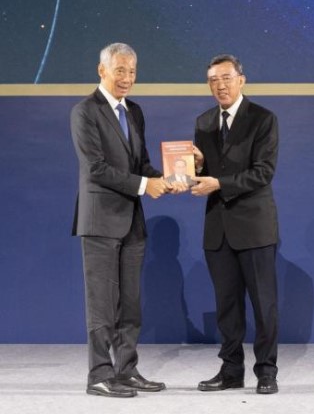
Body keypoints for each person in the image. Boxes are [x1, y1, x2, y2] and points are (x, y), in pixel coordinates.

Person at [70, 42, 183, 397]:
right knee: (102, 303)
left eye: (132, 71)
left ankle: (126, 370)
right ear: (101, 70)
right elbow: (96, 169)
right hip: (100, 221)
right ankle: (99, 375)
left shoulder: (134, 111)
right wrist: (143, 184)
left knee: (131, 302)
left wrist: (169, 177)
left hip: (132, 221)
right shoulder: (85, 111)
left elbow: (141, 164)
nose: (127, 78)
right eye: (120, 70)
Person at [190, 54, 281, 395]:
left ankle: (267, 372)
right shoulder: (203, 122)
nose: (220, 85)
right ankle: (231, 371)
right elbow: (204, 176)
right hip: (218, 229)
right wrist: (197, 167)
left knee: (264, 305)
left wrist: (219, 184)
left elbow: (263, 172)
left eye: (226, 78)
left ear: (241, 79)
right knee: (227, 307)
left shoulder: (263, 119)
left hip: (255, 228)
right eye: (213, 80)